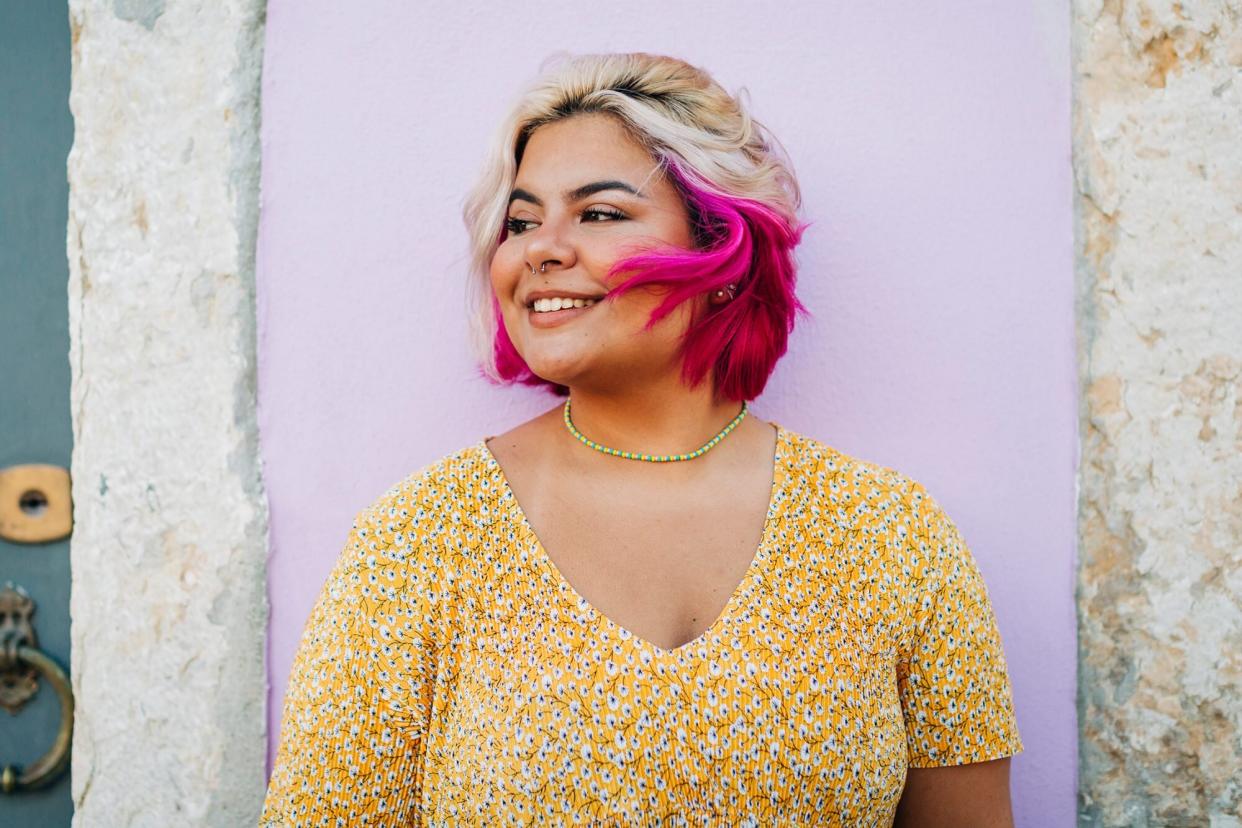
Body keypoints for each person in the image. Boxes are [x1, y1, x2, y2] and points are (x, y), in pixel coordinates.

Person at [261, 52, 1023, 827]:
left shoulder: (892, 536)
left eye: (599, 213)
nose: (540, 249)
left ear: (723, 249)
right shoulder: (418, 542)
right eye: (520, 223)